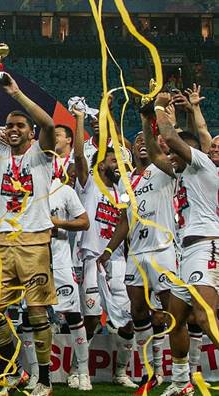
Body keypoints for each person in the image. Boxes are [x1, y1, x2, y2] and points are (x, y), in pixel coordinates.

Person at [0, 72, 56, 396]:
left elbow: (48, 125)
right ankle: (18, 370)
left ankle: (44, 379)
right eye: (10, 125)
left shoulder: (42, 153)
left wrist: (16, 94)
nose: (14, 130)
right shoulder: (0, 153)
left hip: (34, 240)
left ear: (29, 133)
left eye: (20, 126)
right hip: (3, 241)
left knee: (36, 311)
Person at [144, 93, 219, 396]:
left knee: (203, 315)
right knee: (174, 320)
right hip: (185, 253)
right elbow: (155, 154)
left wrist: (162, 108)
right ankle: (180, 383)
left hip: (206, 247)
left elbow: (171, 138)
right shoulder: (187, 171)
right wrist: (146, 117)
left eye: (217, 144)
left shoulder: (202, 164)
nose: (212, 145)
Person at [97, 125, 177, 390]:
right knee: (138, 310)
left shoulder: (164, 168)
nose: (142, 143)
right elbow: (124, 220)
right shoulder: (125, 180)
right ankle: (148, 372)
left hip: (162, 250)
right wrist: (108, 250)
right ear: (130, 150)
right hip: (136, 253)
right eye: (138, 141)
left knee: (168, 311)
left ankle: (178, 374)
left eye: (147, 140)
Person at [71, 107, 137, 390]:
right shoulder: (89, 184)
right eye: (111, 158)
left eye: (117, 158)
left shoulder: (123, 192)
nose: (116, 162)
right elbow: (77, 157)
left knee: (129, 321)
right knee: (90, 318)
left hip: (118, 259)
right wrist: (80, 120)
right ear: (100, 164)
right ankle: (79, 370)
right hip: (92, 260)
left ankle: (120, 371)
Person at [46, 169, 91, 390]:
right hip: (33, 262)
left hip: (61, 262)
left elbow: (84, 222)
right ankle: (37, 375)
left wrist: (59, 222)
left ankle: (83, 372)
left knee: (73, 314)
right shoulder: (24, 191)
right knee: (29, 317)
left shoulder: (64, 191)